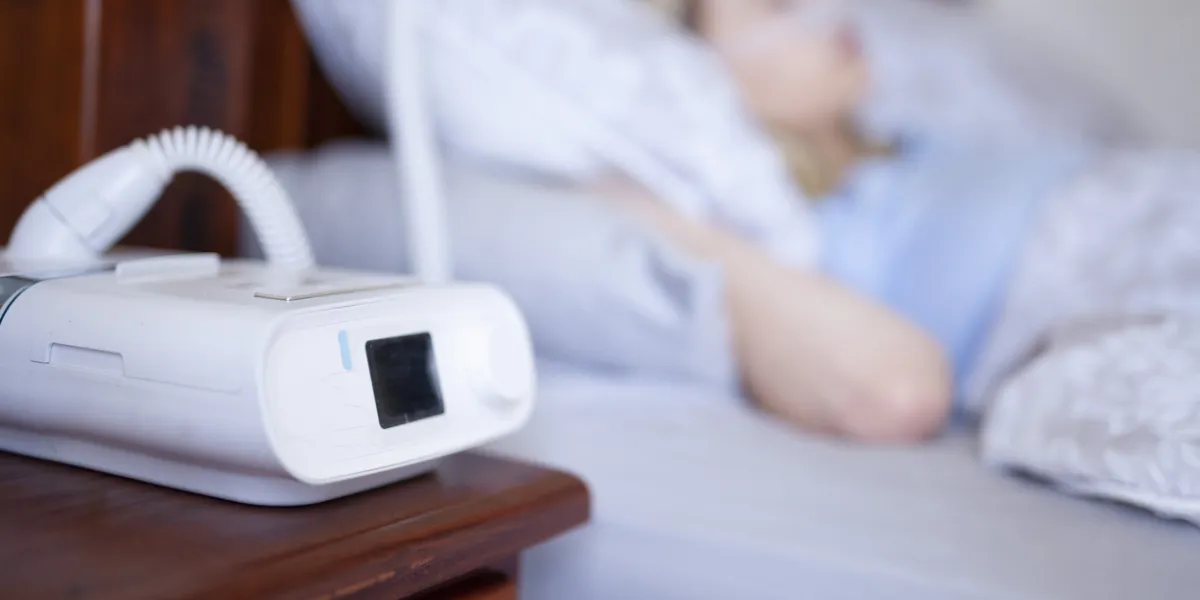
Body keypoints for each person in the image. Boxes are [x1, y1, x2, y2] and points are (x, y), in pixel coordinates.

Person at [602, 0, 1200, 443]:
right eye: (779, 6)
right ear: (700, 72)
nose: (822, 10)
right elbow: (890, 391)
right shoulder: (813, 237)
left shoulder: (915, 145)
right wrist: (650, 214)